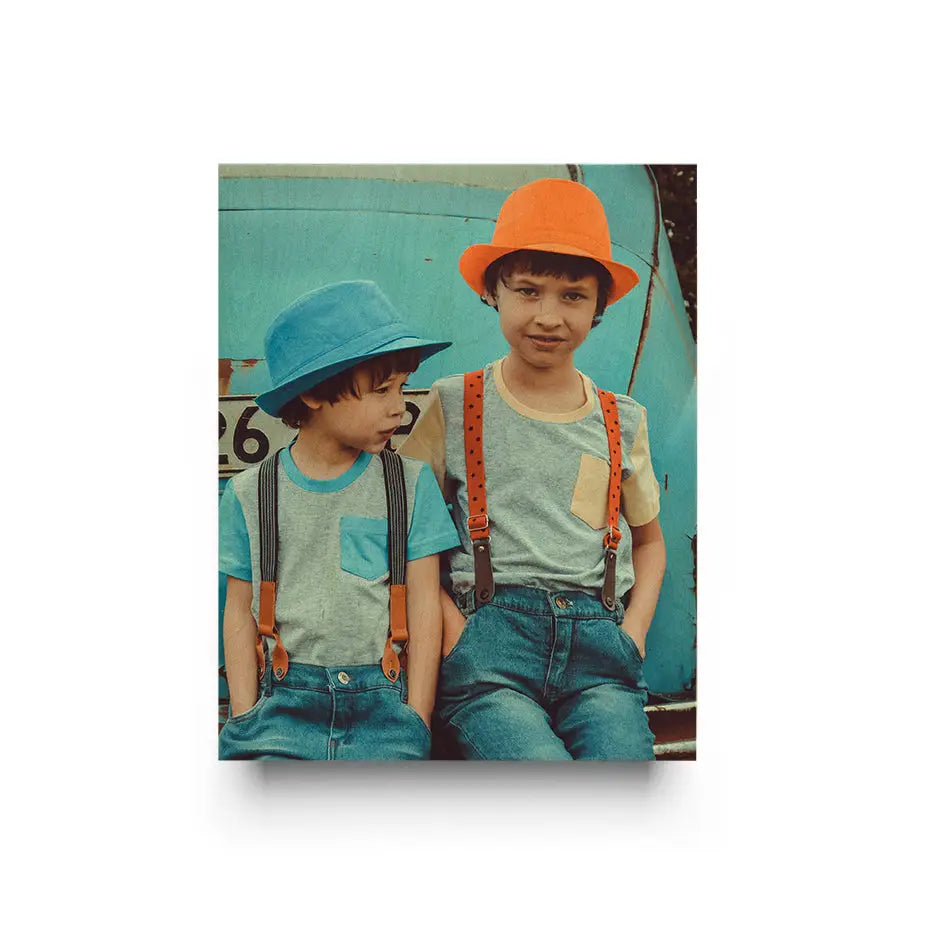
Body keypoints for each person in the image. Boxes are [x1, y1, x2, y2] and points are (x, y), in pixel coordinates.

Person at [399, 178, 666, 760]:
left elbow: (648, 543)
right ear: (494, 292)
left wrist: (635, 634)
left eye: (572, 296)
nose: (548, 315)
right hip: (490, 657)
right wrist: (453, 632)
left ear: (600, 307)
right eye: (527, 290)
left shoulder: (623, 420)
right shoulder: (454, 403)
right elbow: (409, 537)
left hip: (600, 657)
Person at [218, 280, 460, 760]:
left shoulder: (409, 486)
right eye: (381, 390)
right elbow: (238, 613)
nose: (400, 405)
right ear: (312, 395)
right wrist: (245, 716)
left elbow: (425, 606)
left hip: (383, 715)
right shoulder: (249, 493)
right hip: (280, 713)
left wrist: (417, 715)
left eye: (400, 387)